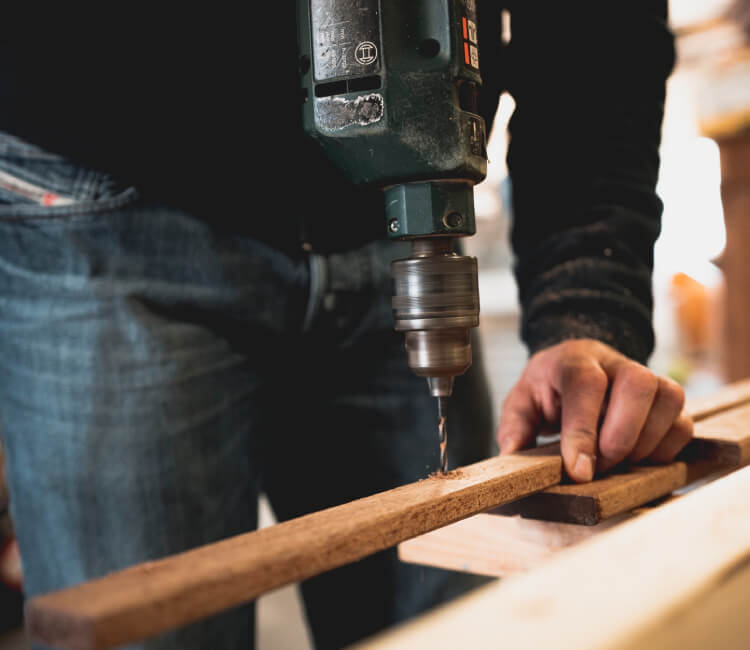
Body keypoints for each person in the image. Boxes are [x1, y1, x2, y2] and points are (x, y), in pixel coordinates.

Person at [0, 3, 690, 649]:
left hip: (382, 213)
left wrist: (585, 302)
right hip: (95, 191)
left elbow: (601, 27)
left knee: (460, 623)